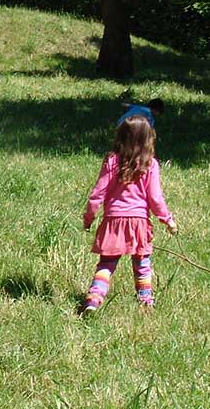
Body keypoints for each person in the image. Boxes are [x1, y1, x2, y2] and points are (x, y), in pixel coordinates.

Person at [82, 115, 179, 313]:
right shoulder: (150, 165)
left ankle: (94, 299)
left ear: (121, 137)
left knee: (106, 264)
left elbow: (97, 194)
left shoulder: (112, 161)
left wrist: (88, 218)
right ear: (148, 138)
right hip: (139, 223)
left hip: (113, 222)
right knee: (142, 264)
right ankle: (146, 303)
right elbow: (155, 198)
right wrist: (167, 220)